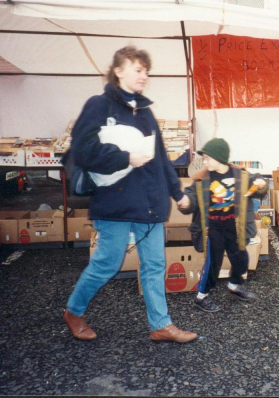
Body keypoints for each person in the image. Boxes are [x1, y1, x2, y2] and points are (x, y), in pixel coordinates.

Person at [63, 46, 197, 343]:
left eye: (146, 71)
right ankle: (74, 311)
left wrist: (178, 193)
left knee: (155, 265)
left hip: (150, 204)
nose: (144, 75)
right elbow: (83, 151)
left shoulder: (145, 112)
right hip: (115, 203)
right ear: (119, 71)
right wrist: (125, 157)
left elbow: (162, 158)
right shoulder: (99, 105)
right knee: (107, 264)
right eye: (137, 69)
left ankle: (161, 325)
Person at [179, 138, 267, 313]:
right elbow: (191, 196)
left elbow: (258, 187)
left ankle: (234, 285)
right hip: (214, 230)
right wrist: (186, 202)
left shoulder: (240, 176)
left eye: (207, 158)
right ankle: (201, 297)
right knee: (213, 264)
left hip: (236, 228)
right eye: (203, 159)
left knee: (241, 259)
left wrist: (262, 185)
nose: (204, 162)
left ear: (219, 157)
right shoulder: (203, 180)